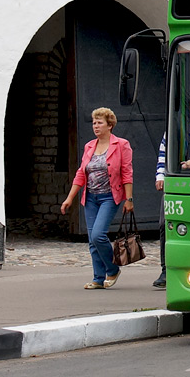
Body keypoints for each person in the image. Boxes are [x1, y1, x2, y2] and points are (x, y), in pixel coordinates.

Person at [60, 108, 134, 289]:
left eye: (99, 122)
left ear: (110, 125)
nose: (96, 126)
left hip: (110, 196)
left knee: (98, 235)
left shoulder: (121, 144)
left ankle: (112, 268)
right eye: (94, 122)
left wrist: (129, 199)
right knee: (92, 240)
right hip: (91, 197)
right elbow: (81, 173)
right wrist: (70, 198)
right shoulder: (89, 146)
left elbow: (127, 172)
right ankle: (98, 278)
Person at [154, 91, 190, 288]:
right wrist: (161, 175)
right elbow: (163, 152)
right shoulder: (174, 127)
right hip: (176, 180)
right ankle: (165, 269)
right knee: (165, 225)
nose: (187, 109)